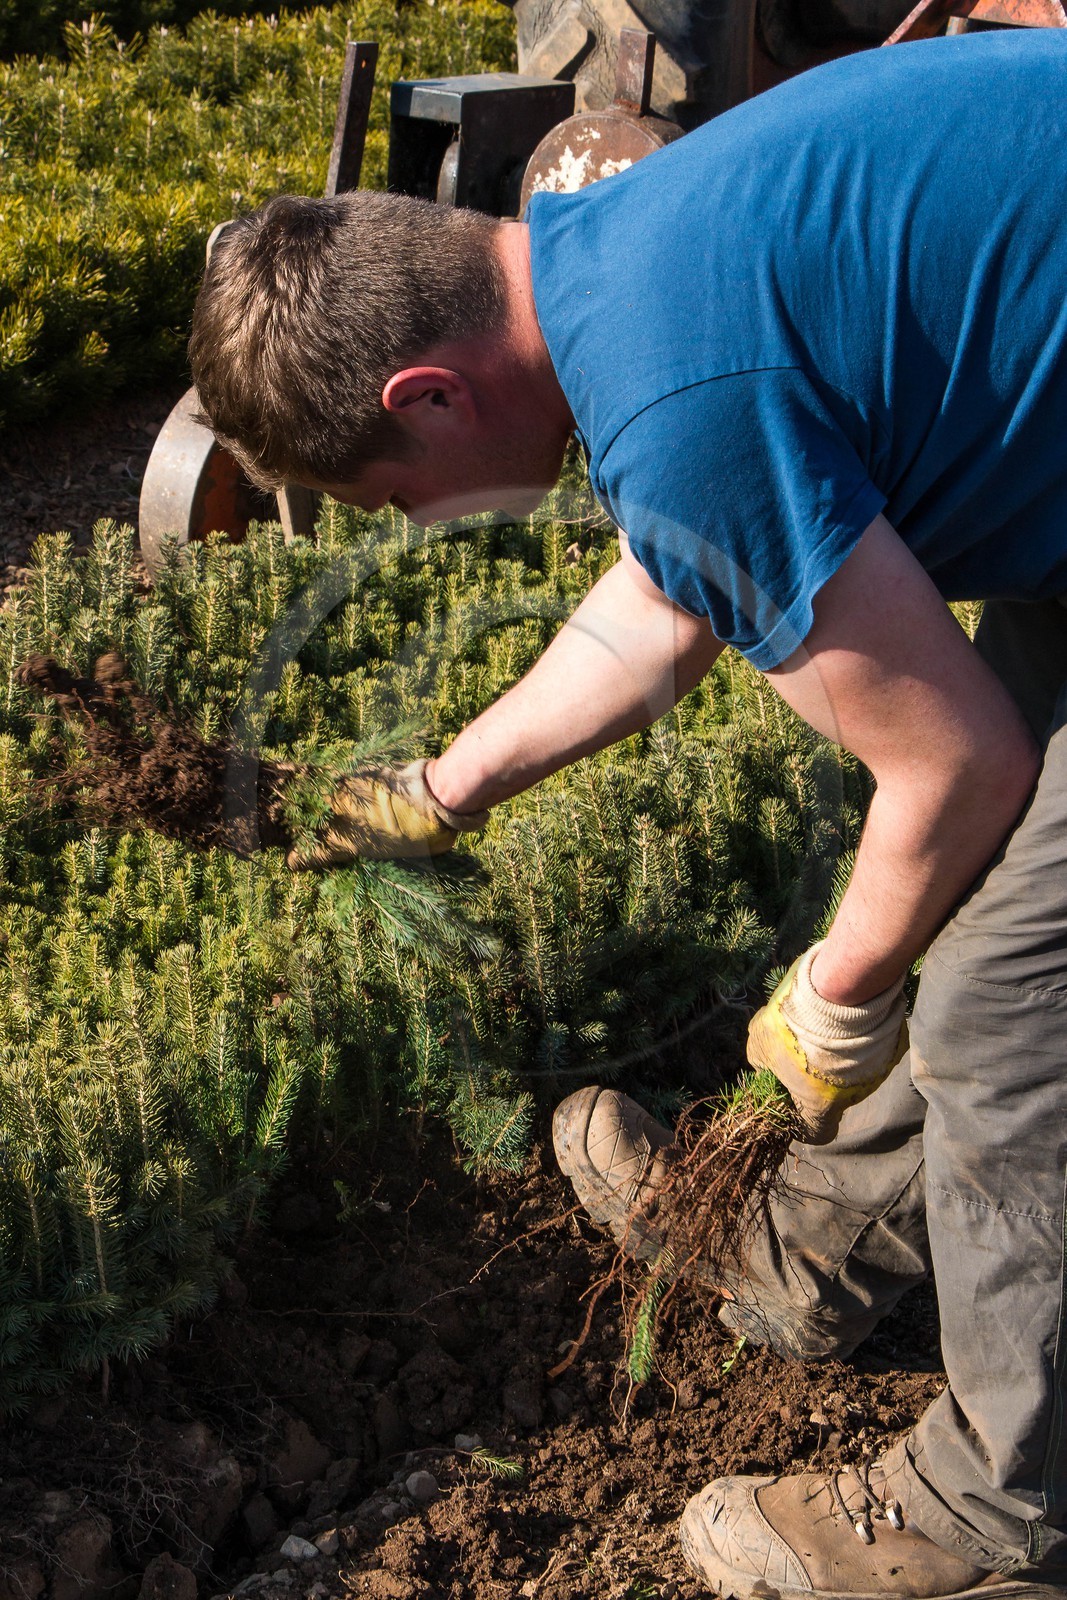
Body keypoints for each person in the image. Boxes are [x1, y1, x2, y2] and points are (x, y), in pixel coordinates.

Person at [189, 27, 1067, 1597]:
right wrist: (442, 788)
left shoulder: (676, 396)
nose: (436, 523)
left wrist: (835, 995)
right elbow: (668, 592)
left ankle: (1001, 1524)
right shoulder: (619, 253)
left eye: (399, 492)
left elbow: (959, 763)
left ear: (429, 392)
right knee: (995, 922)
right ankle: (803, 1252)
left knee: (1007, 997)